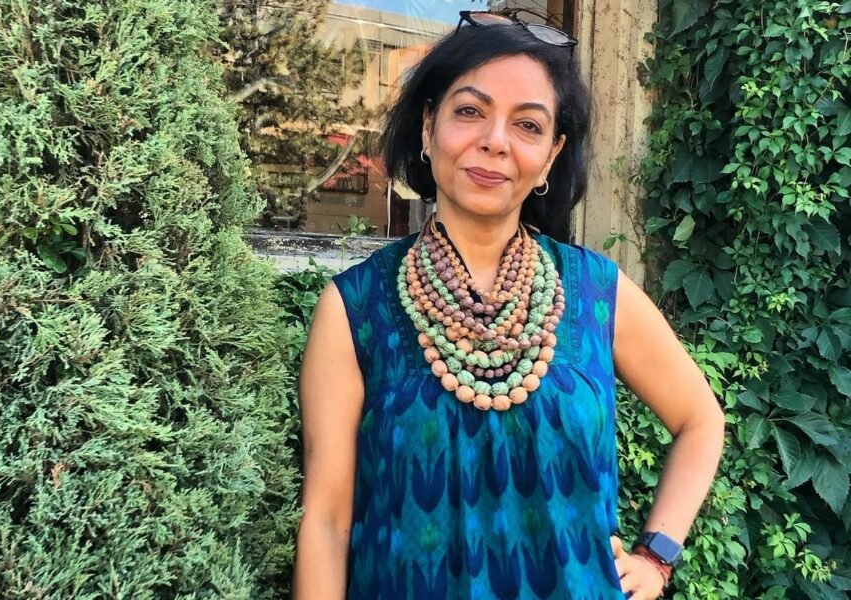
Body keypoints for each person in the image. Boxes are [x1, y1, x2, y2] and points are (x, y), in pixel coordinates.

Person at [294, 11, 725, 600]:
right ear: (428, 127)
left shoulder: (596, 292)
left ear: (550, 155)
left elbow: (701, 420)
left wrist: (657, 555)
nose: (495, 140)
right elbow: (327, 522)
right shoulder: (356, 309)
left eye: (527, 125)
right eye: (470, 111)